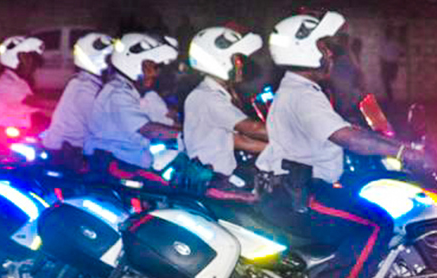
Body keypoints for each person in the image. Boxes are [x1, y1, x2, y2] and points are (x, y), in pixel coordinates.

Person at [256, 11, 434, 278]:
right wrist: (403, 152)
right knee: (375, 223)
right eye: (323, 46)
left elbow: (342, 129)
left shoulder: (302, 91)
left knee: (363, 210)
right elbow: (346, 137)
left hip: (298, 188)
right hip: (302, 194)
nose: (329, 54)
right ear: (304, 50)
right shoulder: (302, 95)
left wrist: (382, 139)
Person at [84, 33, 181, 177]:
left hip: (126, 164)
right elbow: (149, 130)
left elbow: (160, 122)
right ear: (132, 63)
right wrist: (186, 136)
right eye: (149, 67)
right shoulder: (117, 93)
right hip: (114, 169)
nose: (153, 74)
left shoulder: (129, 91)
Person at [183, 26, 268, 186]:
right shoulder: (207, 97)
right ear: (219, 60)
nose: (241, 65)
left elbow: (236, 140)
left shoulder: (214, 94)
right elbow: (252, 128)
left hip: (216, 178)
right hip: (209, 181)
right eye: (237, 60)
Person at [41, 33, 114, 172]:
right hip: (68, 154)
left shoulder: (86, 83)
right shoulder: (85, 87)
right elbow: (100, 124)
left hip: (71, 150)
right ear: (97, 59)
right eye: (109, 59)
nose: (112, 66)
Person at [0, 36, 54, 139]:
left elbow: (34, 107)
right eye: (28, 59)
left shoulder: (19, 81)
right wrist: (61, 106)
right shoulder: (5, 83)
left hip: (18, 131)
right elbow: (34, 102)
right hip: (3, 134)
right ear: (14, 59)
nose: (32, 65)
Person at [380, 26, 403, 102]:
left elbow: (401, 52)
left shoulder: (395, 42)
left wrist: (396, 57)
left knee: (391, 79)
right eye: (387, 33)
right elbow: (381, 54)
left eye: (388, 33)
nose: (387, 35)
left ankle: (391, 97)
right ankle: (390, 97)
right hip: (386, 63)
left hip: (392, 63)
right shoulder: (384, 42)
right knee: (386, 80)